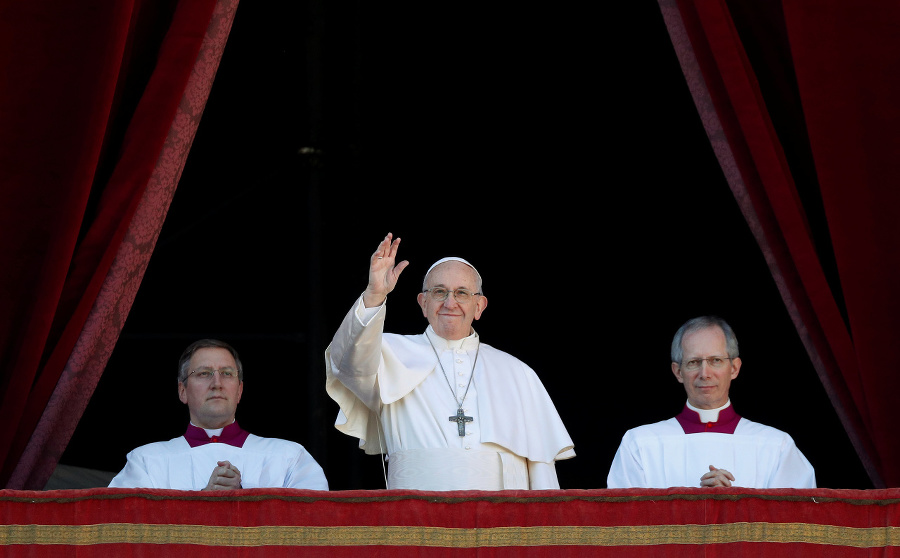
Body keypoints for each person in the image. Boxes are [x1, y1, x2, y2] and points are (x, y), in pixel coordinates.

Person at [325, 233, 574, 490]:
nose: (450, 303)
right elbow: (346, 363)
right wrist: (374, 294)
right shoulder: (386, 353)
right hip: (415, 515)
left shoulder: (518, 373)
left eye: (462, 293)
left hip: (503, 522)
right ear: (423, 303)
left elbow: (542, 466)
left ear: (479, 306)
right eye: (439, 292)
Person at [606, 316, 816, 489]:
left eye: (716, 360)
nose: (705, 373)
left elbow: (796, 525)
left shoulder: (776, 446)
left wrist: (734, 504)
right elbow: (626, 525)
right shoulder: (640, 445)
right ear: (678, 371)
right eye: (693, 362)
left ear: (734, 368)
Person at [109, 339, 328, 490]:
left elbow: (313, 526)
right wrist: (204, 499)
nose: (217, 383)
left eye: (227, 374)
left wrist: (243, 497)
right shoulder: (146, 461)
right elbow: (125, 530)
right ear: (182, 391)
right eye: (204, 373)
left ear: (240, 390)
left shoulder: (289, 457)